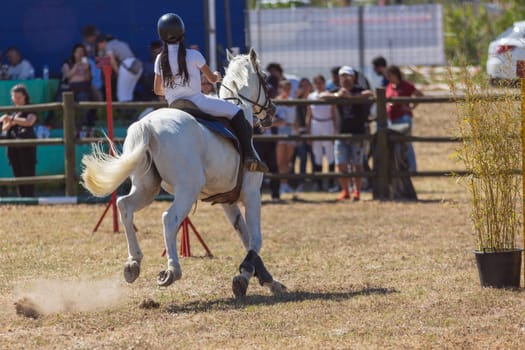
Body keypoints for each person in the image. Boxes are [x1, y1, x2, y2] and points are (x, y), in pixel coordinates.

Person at [153, 12, 267, 173]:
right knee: (238, 112)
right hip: (197, 103)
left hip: (174, 106)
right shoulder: (194, 55)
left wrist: (174, 89)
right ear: (182, 33)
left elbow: (158, 90)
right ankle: (249, 155)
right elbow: (212, 79)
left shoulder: (159, 59)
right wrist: (216, 76)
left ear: (161, 36)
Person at [321, 66, 373, 201]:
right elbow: (322, 95)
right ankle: (345, 191)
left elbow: (369, 93)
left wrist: (353, 97)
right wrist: (337, 95)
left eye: (348, 76)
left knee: (357, 164)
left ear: (353, 78)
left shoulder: (358, 89)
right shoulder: (337, 90)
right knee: (341, 164)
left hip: (357, 133)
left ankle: (357, 191)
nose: (346, 79)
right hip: (341, 133)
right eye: (343, 77)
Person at [0, 84, 37, 197]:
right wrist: (10, 120)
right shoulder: (13, 111)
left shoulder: (30, 108)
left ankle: (29, 199)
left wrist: (12, 120)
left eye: (19, 97)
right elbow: (4, 128)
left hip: (26, 147)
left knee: (28, 174)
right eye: (14, 97)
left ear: (25, 96)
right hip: (13, 146)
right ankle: (22, 199)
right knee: (18, 174)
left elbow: (29, 121)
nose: (16, 99)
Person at [385, 65, 423, 172]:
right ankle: (401, 167)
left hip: (403, 118)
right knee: (396, 144)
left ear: (396, 74)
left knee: (406, 143)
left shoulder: (406, 85)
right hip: (392, 119)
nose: (388, 77)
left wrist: (411, 107)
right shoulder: (389, 86)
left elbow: (419, 95)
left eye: (390, 75)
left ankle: (411, 167)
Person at [306, 74, 336, 192]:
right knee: (317, 153)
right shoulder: (311, 96)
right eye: (316, 83)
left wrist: (334, 128)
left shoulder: (329, 95)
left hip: (327, 123)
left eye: (320, 83)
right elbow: (309, 114)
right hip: (315, 124)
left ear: (324, 83)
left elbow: (333, 113)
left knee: (330, 153)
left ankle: (332, 183)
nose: (318, 85)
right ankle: (318, 183)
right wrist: (308, 131)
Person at [96, 33, 143, 102]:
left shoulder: (108, 45)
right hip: (137, 66)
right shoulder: (121, 43)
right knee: (128, 94)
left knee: (121, 95)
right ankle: (132, 111)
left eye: (99, 45)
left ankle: (125, 112)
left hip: (127, 66)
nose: (99, 47)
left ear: (103, 42)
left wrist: (118, 73)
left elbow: (111, 59)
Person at [60, 44, 94, 130]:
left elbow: (88, 79)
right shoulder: (68, 63)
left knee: (84, 99)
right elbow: (68, 76)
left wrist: (87, 70)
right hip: (70, 89)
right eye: (78, 52)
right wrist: (76, 66)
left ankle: (83, 124)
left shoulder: (87, 64)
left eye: (82, 52)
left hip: (83, 87)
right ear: (74, 53)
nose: (80, 54)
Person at [274, 79, 297, 194]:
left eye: (289, 88)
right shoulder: (276, 101)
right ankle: (281, 184)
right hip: (281, 131)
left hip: (291, 130)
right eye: (285, 88)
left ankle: (285, 183)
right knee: (280, 160)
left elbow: (295, 118)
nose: (287, 90)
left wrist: (297, 131)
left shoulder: (292, 101)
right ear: (280, 89)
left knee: (288, 160)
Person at [293, 77, 313, 192]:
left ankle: (317, 182)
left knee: (315, 157)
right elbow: (293, 114)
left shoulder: (314, 98)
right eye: (302, 86)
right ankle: (301, 181)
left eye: (306, 85)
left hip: (314, 131)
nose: (304, 88)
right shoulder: (297, 100)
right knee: (303, 157)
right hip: (300, 131)